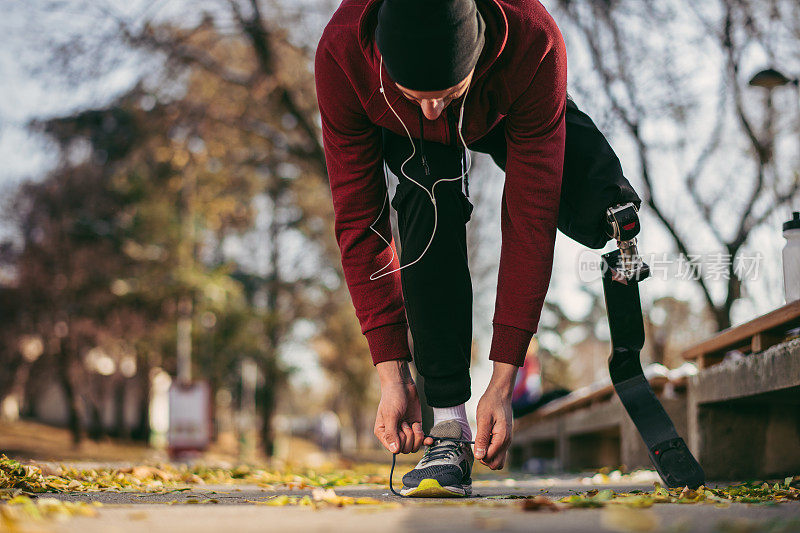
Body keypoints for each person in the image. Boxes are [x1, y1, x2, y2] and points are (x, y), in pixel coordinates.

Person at [314, 0, 637, 497]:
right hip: (406, 137)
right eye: (414, 95)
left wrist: (505, 379)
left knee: (597, 204)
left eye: (445, 95)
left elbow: (529, 221)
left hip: (505, 104)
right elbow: (361, 222)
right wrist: (392, 372)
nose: (432, 110)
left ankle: (609, 210)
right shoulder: (342, 57)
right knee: (427, 198)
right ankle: (447, 429)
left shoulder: (535, 42)